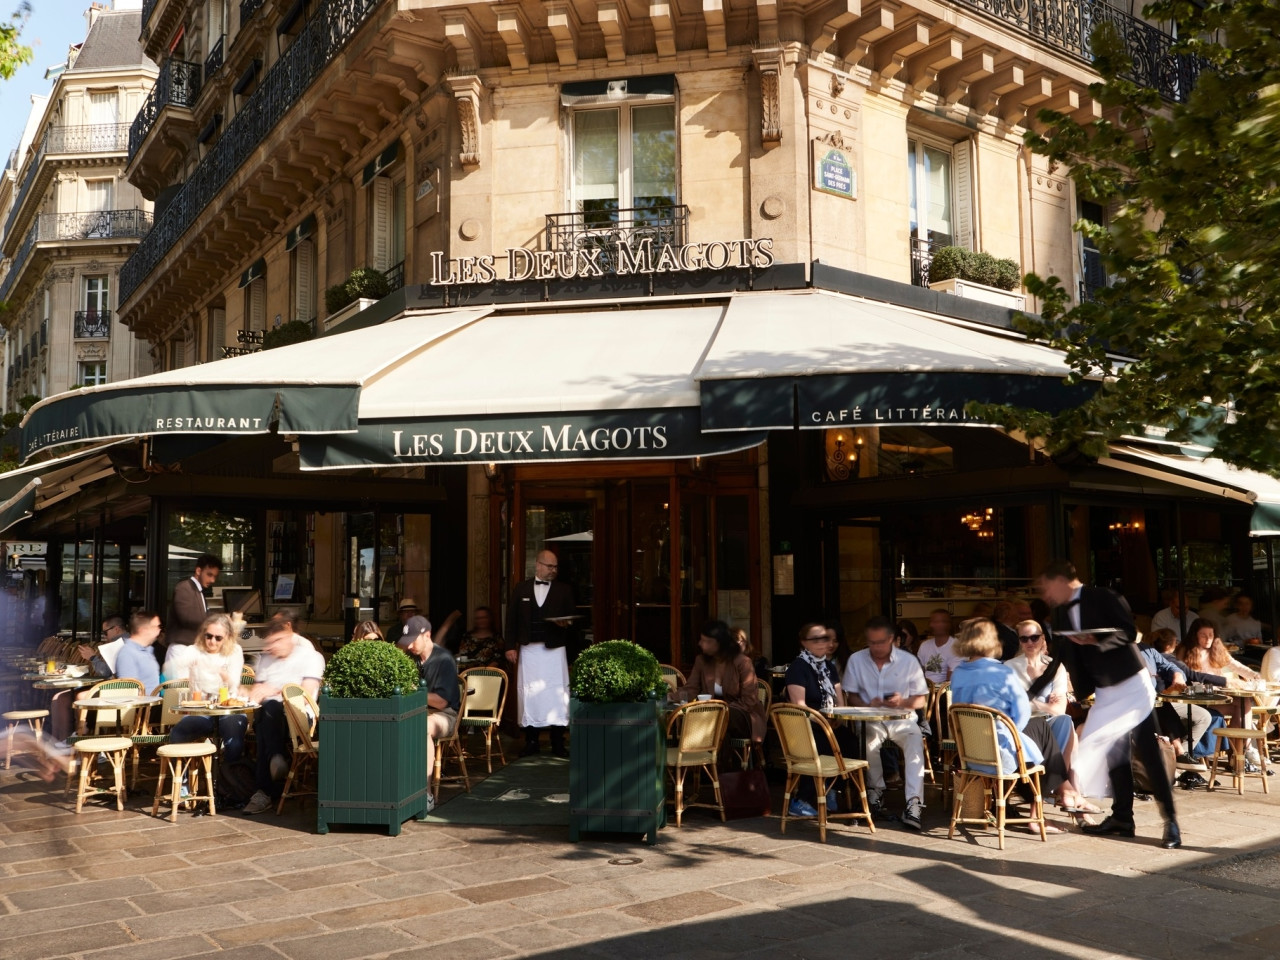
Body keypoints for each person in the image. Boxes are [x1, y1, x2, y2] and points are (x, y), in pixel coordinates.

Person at [1032, 560, 1181, 848]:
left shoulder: (1103, 596)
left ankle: (1171, 822)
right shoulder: (1060, 612)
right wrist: (1028, 692)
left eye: (1047, 588)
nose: (1045, 595)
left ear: (1062, 581)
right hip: (1105, 690)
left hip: (1132, 685)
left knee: (1149, 754)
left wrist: (1094, 640)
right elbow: (1059, 659)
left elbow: (1128, 633)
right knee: (1114, 756)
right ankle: (1122, 818)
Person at [949, 618, 1081, 829]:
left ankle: (1063, 792)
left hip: (970, 753)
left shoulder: (958, 673)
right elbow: (1022, 715)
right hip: (999, 752)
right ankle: (1054, 800)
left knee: (1038, 735)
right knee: (1042, 729)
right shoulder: (1002, 673)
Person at [841, 615, 929, 829]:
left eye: (880, 642)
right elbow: (851, 695)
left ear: (892, 639)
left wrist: (903, 701)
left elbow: (921, 699)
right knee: (867, 741)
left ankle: (914, 802)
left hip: (904, 718)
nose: (876, 647)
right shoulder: (857, 659)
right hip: (871, 718)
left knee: (915, 742)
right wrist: (866, 702)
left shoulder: (908, 661)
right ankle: (875, 792)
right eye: (872, 642)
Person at [240, 620, 325, 815]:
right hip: (271, 718)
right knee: (266, 713)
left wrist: (275, 690)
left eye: (276, 641)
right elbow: (257, 692)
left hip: (301, 719)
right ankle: (275, 759)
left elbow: (305, 696)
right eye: (268, 643)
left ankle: (264, 791)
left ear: (289, 637)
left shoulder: (310, 656)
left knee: (267, 712)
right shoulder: (267, 658)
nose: (271, 647)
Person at [505, 549, 576, 757]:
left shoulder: (564, 590)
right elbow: (511, 620)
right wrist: (510, 646)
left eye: (555, 567)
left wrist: (566, 623)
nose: (553, 570)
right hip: (529, 650)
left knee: (557, 695)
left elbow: (572, 620)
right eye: (549, 566)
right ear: (538, 565)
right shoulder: (521, 589)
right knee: (530, 694)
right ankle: (532, 740)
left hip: (555, 650)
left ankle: (558, 741)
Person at [784, 622, 856, 817]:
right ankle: (801, 799)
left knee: (851, 742)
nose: (823, 643)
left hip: (828, 723)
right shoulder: (798, 668)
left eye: (825, 638)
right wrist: (823, 721)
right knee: (823, 745)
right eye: (816, 639)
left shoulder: (829, 667)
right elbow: (800, 706)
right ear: (804, 643)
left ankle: (831, 788)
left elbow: (840, 701)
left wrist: (837, 718)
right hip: (806, 725)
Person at [677, 620, 766, 763]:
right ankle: (720, 775)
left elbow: (749, 700)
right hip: (712, 716)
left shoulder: (742, 662)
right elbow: (690, 689)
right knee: (717, 729)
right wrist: (668, 697)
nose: (700, 644)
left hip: (743, 715)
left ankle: (709, 770)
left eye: (706, 641)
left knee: (718, 719)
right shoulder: (701, 661)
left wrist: (722, 710)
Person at [168, 614, 249, 763]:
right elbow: (173, 669)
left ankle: (229, 777)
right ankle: (183, 782)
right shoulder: (193, 650)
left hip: (227, 708)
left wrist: (223, 675)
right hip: (201, 709)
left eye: (218, 638)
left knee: (234, 735)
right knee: (178, 734)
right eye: (209, 636)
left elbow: (234, 683)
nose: (212, 641)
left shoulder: (235, 651)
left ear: (228, 637)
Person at [397, 615, 459, 807]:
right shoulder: (410, 658)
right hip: (414, 712)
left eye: (412, 641)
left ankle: (426, 794)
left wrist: (413, 691)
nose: (409, 647)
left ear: (427, 636)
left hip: (445, 715)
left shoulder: (444, 660)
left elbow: (441, 702)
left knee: (422, 726)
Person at [1004, 619, 1077, 760]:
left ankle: (1056, 775)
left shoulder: (1055, 667)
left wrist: (1028, 703)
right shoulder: (1009, 667)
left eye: (1034, 638)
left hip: (1049, 722)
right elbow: (1010, 707)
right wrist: (1044, 705)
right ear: (1019, 641)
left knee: (1065, 720)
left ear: (1043, 638)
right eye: (1024, 639)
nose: (1030, 643)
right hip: (1021, 725)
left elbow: (1059, 710)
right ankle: (1058, 778)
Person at [165, 554, 222, 678]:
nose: (212, 580)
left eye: (215, 576)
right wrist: (216, 623)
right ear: (198, 570)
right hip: (181, 649)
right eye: (209, 574)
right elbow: (186, 617)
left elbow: (200, 615)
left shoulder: (196, 590)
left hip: (191, 650)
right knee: (177, 692)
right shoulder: (184, 587)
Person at [1175, 618, 1260, 683]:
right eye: (1203, 635)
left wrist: (1254, 675)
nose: (1208, 639)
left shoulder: (1217, 648)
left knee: (1245, 701)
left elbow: (1234, 665)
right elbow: (1181, 673)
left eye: (1211, 635)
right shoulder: (1185, 650)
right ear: (1195, 635)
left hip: (1218, 688)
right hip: (1198, 691)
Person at [115, 609, 162, 694]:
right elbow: (129, 691)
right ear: (143, 630)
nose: (159, 630)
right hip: (144, 706)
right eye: (156, 627)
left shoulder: (148, 650)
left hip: (154, 703)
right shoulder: (127, 653)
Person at [916, 609, 962, 685]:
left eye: (937, 622)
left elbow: (952, 679)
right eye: (932, 622)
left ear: (947, 624)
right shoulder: (924, 645)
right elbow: (918, 672)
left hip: (944, 692)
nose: (932, 625)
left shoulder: (956, 646)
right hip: (925, 689)